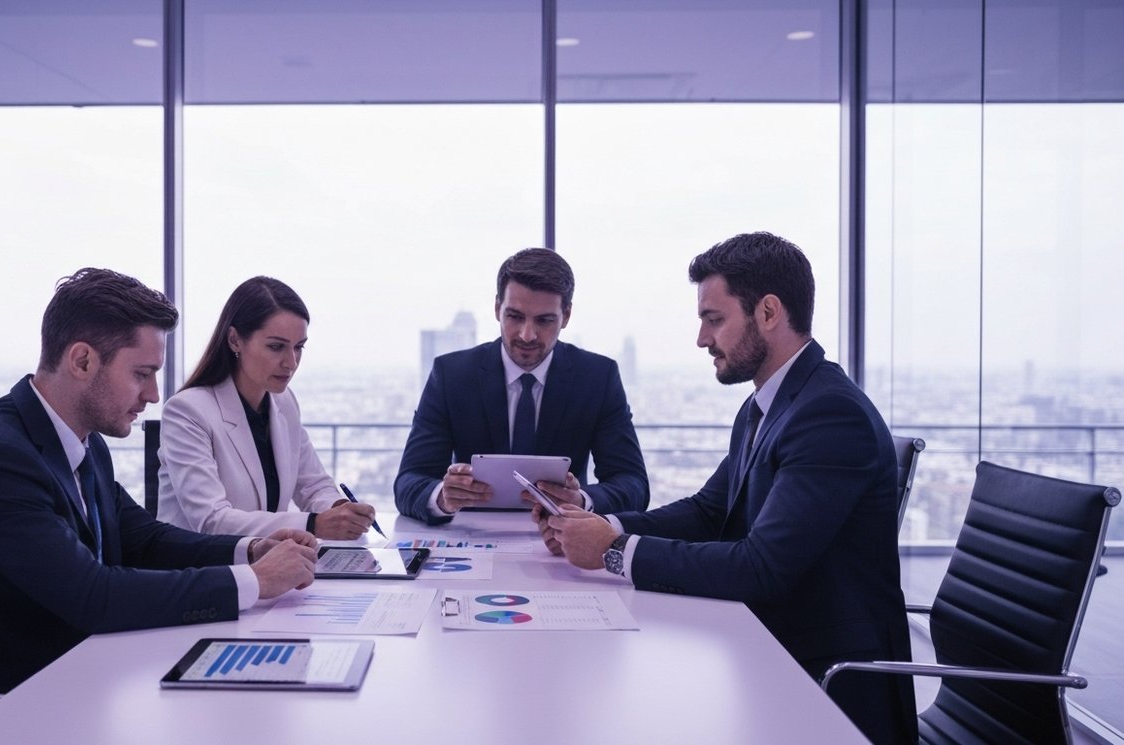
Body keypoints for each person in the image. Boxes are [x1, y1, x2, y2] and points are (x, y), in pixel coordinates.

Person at [0, 268, 318, 744]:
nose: (154, 395)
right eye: (142, 374)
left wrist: (251, 550)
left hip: (67, 679)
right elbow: (93, 597)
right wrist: (255, 582)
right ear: (82, 361)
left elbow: (145, 539)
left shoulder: (81, 444)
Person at [546, 232, 917, 744]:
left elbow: (761, 568)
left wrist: (613, 552)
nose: (702, 339)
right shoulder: (767, 405)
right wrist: (603, 525)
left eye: (714, 319)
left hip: (827, 683)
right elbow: (708, 512)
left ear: (768, 312)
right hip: (769, 648)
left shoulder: (830, 414)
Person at [394, 247, 649, 526]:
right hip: (471, 536)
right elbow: (409, 481)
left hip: (562, 537)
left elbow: (633, 484)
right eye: (515, 316)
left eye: (544, 320)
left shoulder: (597, 377)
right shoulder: (452, 375)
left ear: (566, 315)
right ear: (496, 309)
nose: (527, 335)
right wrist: (443, 497)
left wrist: (581, 502)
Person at [158, 276, 376, 538]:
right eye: (276, 347)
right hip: (200, 570)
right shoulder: (188, 411)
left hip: (267, 564)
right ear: (235, 340)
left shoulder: (283, 403)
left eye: (299, 347)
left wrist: (338, 509)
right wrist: (314, 524)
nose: (291, 362)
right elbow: (212, 520)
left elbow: (313, 485)